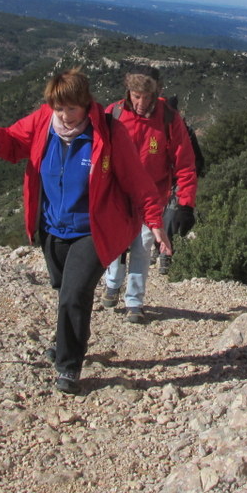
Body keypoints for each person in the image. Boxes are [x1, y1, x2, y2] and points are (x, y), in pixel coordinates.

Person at [0, 68, 170, 395]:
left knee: (74, 295)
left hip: (92, 230)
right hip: (52, 228)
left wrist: (155, 222)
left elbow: (138, 182)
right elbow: (14, 140)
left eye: (72, 109)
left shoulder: (108, 132)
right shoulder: (42, 123)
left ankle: (68, 366)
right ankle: (67, 341)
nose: (64, 116)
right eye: (58, 108)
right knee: (64, 290)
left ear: (86, 104)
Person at [101, 65, 198, 323]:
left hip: (153, 196)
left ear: (157, 92)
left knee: (142, 247)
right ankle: (112, 283)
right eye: (136, 95)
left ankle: (134, 300)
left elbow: (185, 163)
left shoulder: (169, 118)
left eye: (146, 96)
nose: (141, 102)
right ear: (128, 92)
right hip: (118, 195)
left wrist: (186, 205)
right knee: (117, 243)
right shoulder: (114, 113)